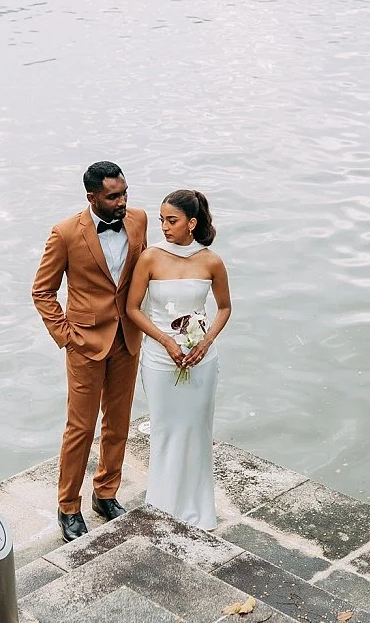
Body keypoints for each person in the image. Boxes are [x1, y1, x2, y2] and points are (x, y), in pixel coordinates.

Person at [33, 162, 149, 541]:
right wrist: (67, 336)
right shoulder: (65, 233)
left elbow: (143, 274)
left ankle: (106, 493)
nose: (122, 202)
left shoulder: (138, 220)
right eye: (113, 196)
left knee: (118, 422)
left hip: (127, 339)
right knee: (80, 428)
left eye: (125, 193)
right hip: (84, 344)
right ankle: (68, 506)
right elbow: (42, 291)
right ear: (92, 197)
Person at [125, 190, 231, 528]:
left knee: (197, 430)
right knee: (165, 429)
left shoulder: (211, 261)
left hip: (201, 359)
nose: (165, 227)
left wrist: (206, 341)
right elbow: (132, 308)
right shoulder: (150, 258)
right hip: (160, 359)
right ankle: (162, 506)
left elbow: (224, 308)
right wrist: (165, 340)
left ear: (192, 223)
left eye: (172, 221)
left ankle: (200, 511)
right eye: (162, 220)